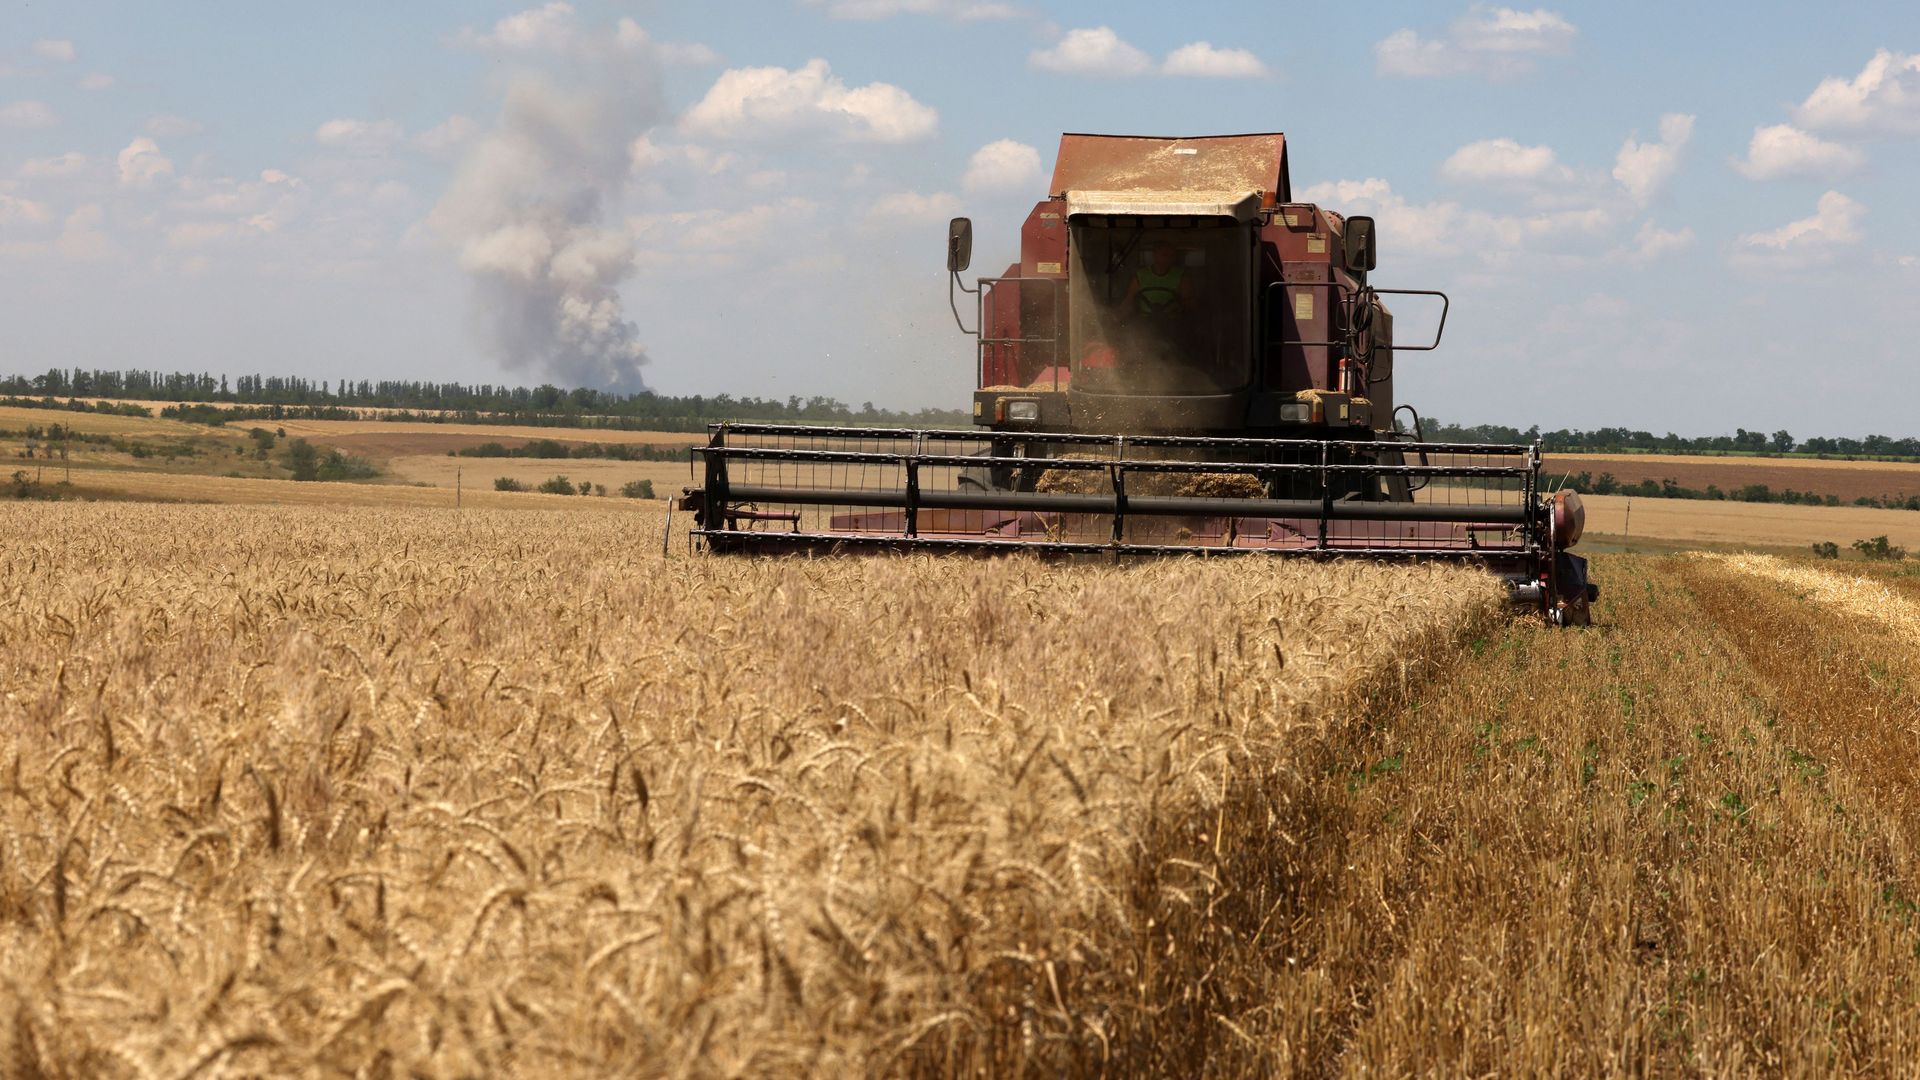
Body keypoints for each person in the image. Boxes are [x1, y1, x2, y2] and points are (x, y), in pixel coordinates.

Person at [1122, 241, 1190, 317]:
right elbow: (1129, 301)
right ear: (1154, 255)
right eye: (1164, 255)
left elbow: (1188, 303)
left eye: (1171, 256)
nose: (1168, 259)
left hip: (1172, 322)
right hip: (1144, 322)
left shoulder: (1181, 276)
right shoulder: (1140, 275)